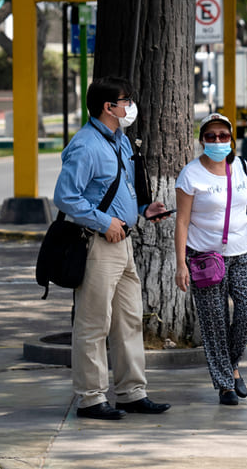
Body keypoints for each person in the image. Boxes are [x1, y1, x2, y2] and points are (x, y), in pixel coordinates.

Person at [54, 76, 171, 420]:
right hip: (98, 244)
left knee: (129, 320)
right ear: (109, 107)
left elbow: (112, 191)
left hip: (124, 243)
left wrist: (141, 212)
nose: (130, 106)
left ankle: (131, 392)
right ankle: (90, 398)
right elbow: (65, 196)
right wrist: (104, 222)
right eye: (126, 101)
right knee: (94, 323)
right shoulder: (87, 145)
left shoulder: (121, 141)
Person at [174, 113, 247, 406]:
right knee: (215, 321)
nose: (217, 141)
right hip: (204, 257)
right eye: (210, 136)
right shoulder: (191, 174)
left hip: (242, 252)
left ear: (231, 139)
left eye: (223, 136)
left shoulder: (243, 167)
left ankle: (230, 365)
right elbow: (181, 222)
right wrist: (181, 264)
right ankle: (225, 384)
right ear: (202, 139)